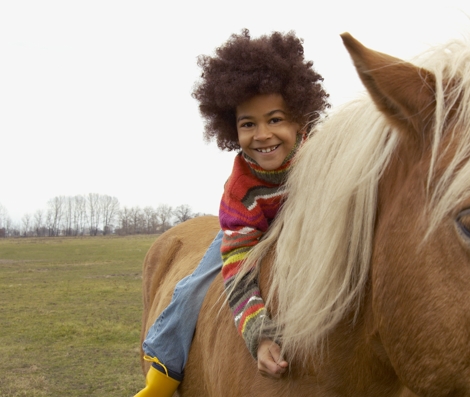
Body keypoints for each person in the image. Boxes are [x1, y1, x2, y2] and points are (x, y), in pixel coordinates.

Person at [134, 29, 329, 397]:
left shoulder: (320, 156)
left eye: (275, 119)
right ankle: (163, 366)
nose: (263, 134)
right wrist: (257, 332)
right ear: (230, 128)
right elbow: (239, 257)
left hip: (296, 227)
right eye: (248, 124)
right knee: (194, 287)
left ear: (300, 119)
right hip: (249, 232)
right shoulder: (240, 190)